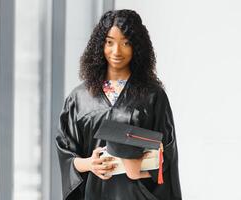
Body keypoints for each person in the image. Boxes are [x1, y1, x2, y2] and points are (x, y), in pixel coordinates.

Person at [56, 9, 182, 200]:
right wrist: (90, 164)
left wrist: (138, 169)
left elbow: (168, 155)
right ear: (100, 45)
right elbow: (66, 154)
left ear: (137, 47)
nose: (116, 51)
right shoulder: (79, 98)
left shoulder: (152, 96)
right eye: (109, 42)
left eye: (126, 43)